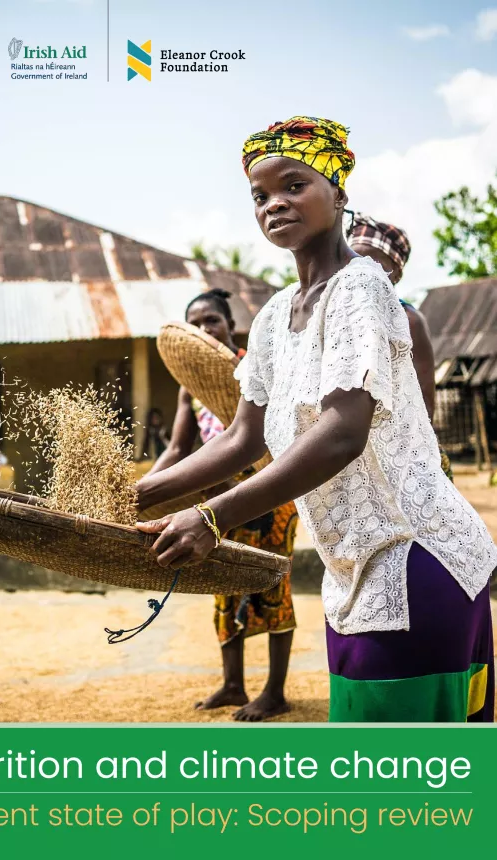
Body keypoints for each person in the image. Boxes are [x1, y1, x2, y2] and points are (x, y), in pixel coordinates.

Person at [136, 115, 497, 722]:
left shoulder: (361, 288)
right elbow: (243, 437)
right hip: (352, 571)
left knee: (407, 786)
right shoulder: (276, 316)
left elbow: (342, 434)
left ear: (339, 194)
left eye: (294, 185)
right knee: (372, 777)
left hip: (417, 560)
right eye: (260, 196)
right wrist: (140, 495)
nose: (274, 203)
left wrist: (211, 516)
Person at [149, 287, 298, 721]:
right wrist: (142, 490)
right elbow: (178, 449)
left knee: (273, 586)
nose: (203, 329)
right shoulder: (188, 387)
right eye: (194, 323)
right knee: (221, 588)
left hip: (268, 493)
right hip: (215, 503)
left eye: (211, 320)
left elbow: (266, 438)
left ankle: (274, 692)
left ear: (231, 325)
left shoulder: (254, 367)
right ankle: (233, 685)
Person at [347, 213, 453, 480]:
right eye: (352, 260)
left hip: (403, 457)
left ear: (395, 272)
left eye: (371, 262)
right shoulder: (338, 317)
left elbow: (424, 406)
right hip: (347, 455)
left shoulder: (408, 321)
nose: (360, 270)